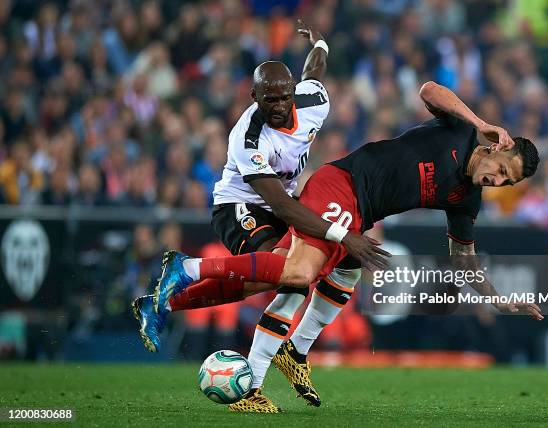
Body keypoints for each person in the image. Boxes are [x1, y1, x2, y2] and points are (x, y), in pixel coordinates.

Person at [132, 21, 387, 413]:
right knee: (287, 269)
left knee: (284, 277)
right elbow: (282, 206)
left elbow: (314, 71)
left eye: (284, 96)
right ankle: (189, 271)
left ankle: (161, 304)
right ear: (254, 96)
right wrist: (341, 234)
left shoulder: (313, 102)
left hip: (278, 204)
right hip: (240, 207)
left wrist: (319, 40)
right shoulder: (246, 138)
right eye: (269, 99)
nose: (280, 106)